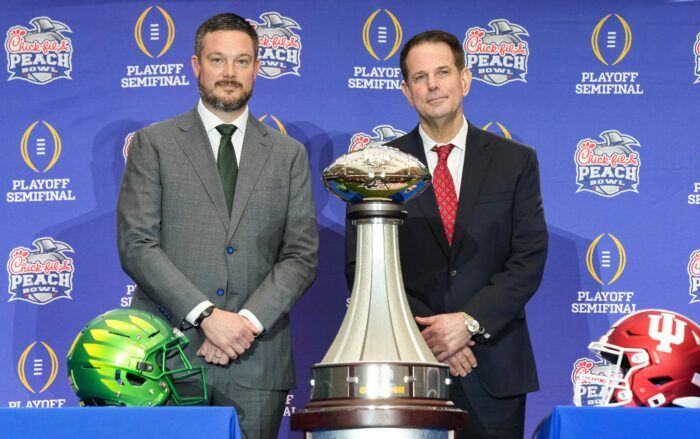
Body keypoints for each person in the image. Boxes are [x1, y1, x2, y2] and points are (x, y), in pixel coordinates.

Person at [117, 13, 318, 439]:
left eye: (242, 61)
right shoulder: (154, 144)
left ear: (257, 69)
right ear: (196, 66)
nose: (229, 73)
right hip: (167, 357)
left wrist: (244, 322)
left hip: (255, 360)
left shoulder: (289, 155)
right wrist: (206, 316)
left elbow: (300, 256)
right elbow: (137, 244)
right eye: (217, 60)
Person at [345, 30, 547, 438]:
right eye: (420, 77)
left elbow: (528, 258)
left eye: (442, 72)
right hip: (409, 366)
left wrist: (468, 323)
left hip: (494, 366)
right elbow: (362, 267)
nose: (432, 85)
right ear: (406, 91)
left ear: (465, 80)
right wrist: (431, 336)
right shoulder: (374, 169)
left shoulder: (515, 161)